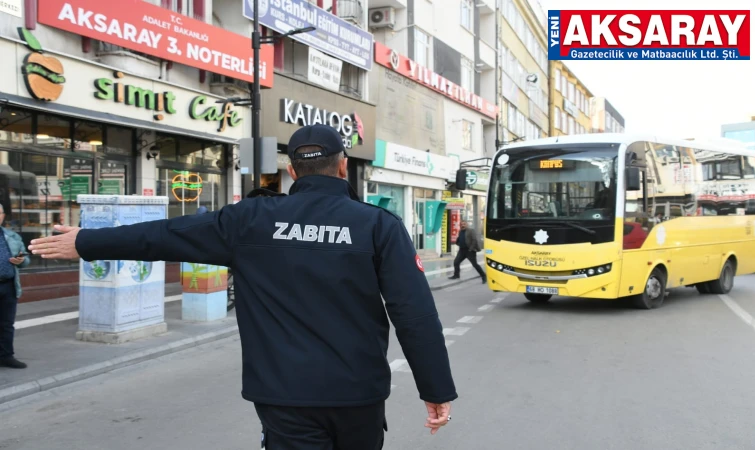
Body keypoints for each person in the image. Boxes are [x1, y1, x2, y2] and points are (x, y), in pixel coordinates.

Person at [29, 124, 457, 449]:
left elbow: (164, 234)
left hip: (282, 395)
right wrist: (434, 389)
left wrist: (85, 241)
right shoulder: (377, 225)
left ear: (292, 170)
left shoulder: (249, 220)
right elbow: (415, 314)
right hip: (358, 395)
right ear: (343, 165)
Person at [0, 204, 31, 369]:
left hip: (8, 286)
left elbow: (25, 259)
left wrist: (21, 260)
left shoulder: (11, 236)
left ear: (3, 216)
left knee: (6, 323)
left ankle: (6, 356)